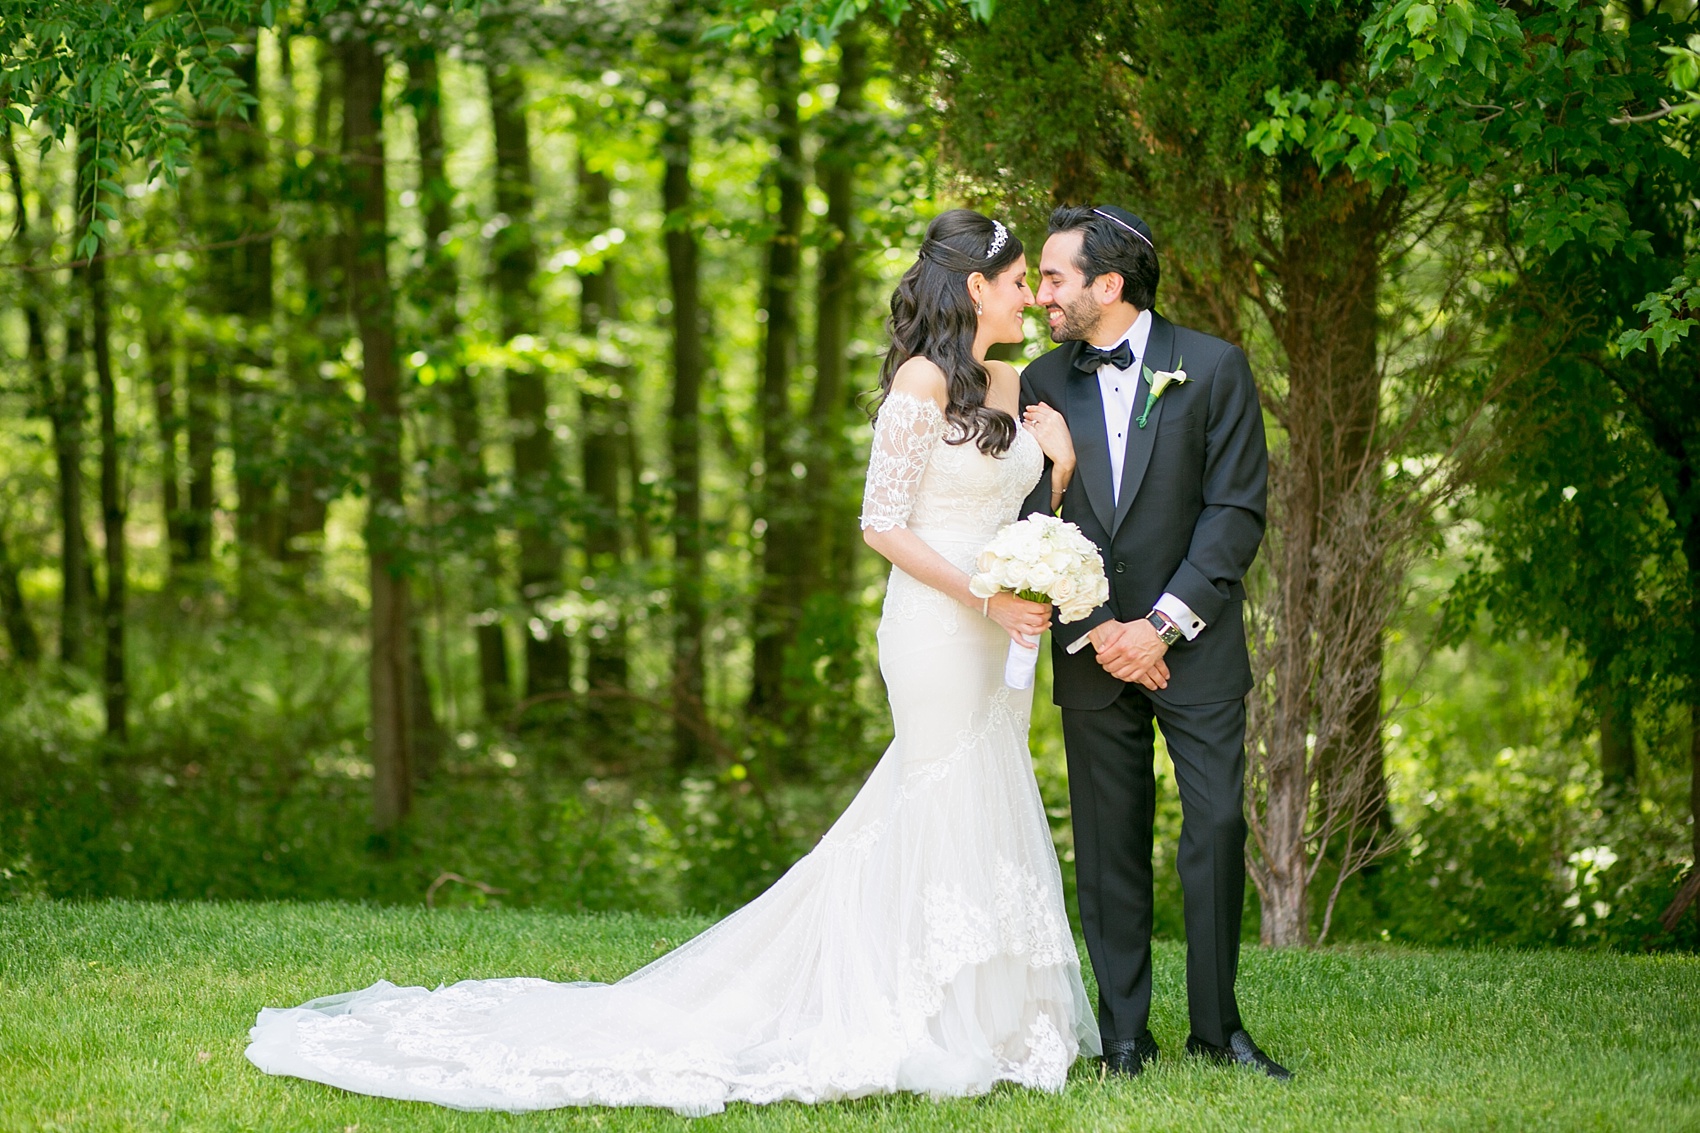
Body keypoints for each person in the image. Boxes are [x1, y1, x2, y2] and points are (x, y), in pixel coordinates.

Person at [244, 209, 1098, 1116]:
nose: (1029, 300)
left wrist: (1062, 468)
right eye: (1016, 284)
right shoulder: (920, 386)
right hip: (937, 623)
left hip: (1000, 628)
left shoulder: (1011, 385)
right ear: (976, 288)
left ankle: (989, 1013)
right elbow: (882, 525)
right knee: (939, 789)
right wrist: (982, 594)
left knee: (983, 789)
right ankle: (917, 1011)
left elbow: (1014, 517)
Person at [1018, 204, 1289, 1080]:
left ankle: (1218, 1028)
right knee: (1107, 840)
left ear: (1109, 283)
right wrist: (1102, 630)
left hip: (1194, 648)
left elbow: (1235, 512)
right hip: (1091, 649)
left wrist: (1161, 625)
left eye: (1055, 278)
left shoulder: (1212, 368)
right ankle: (1123, 1035)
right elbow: (1025, 522)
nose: (1042, 296)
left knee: (1213, 825)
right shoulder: (1038, 381)